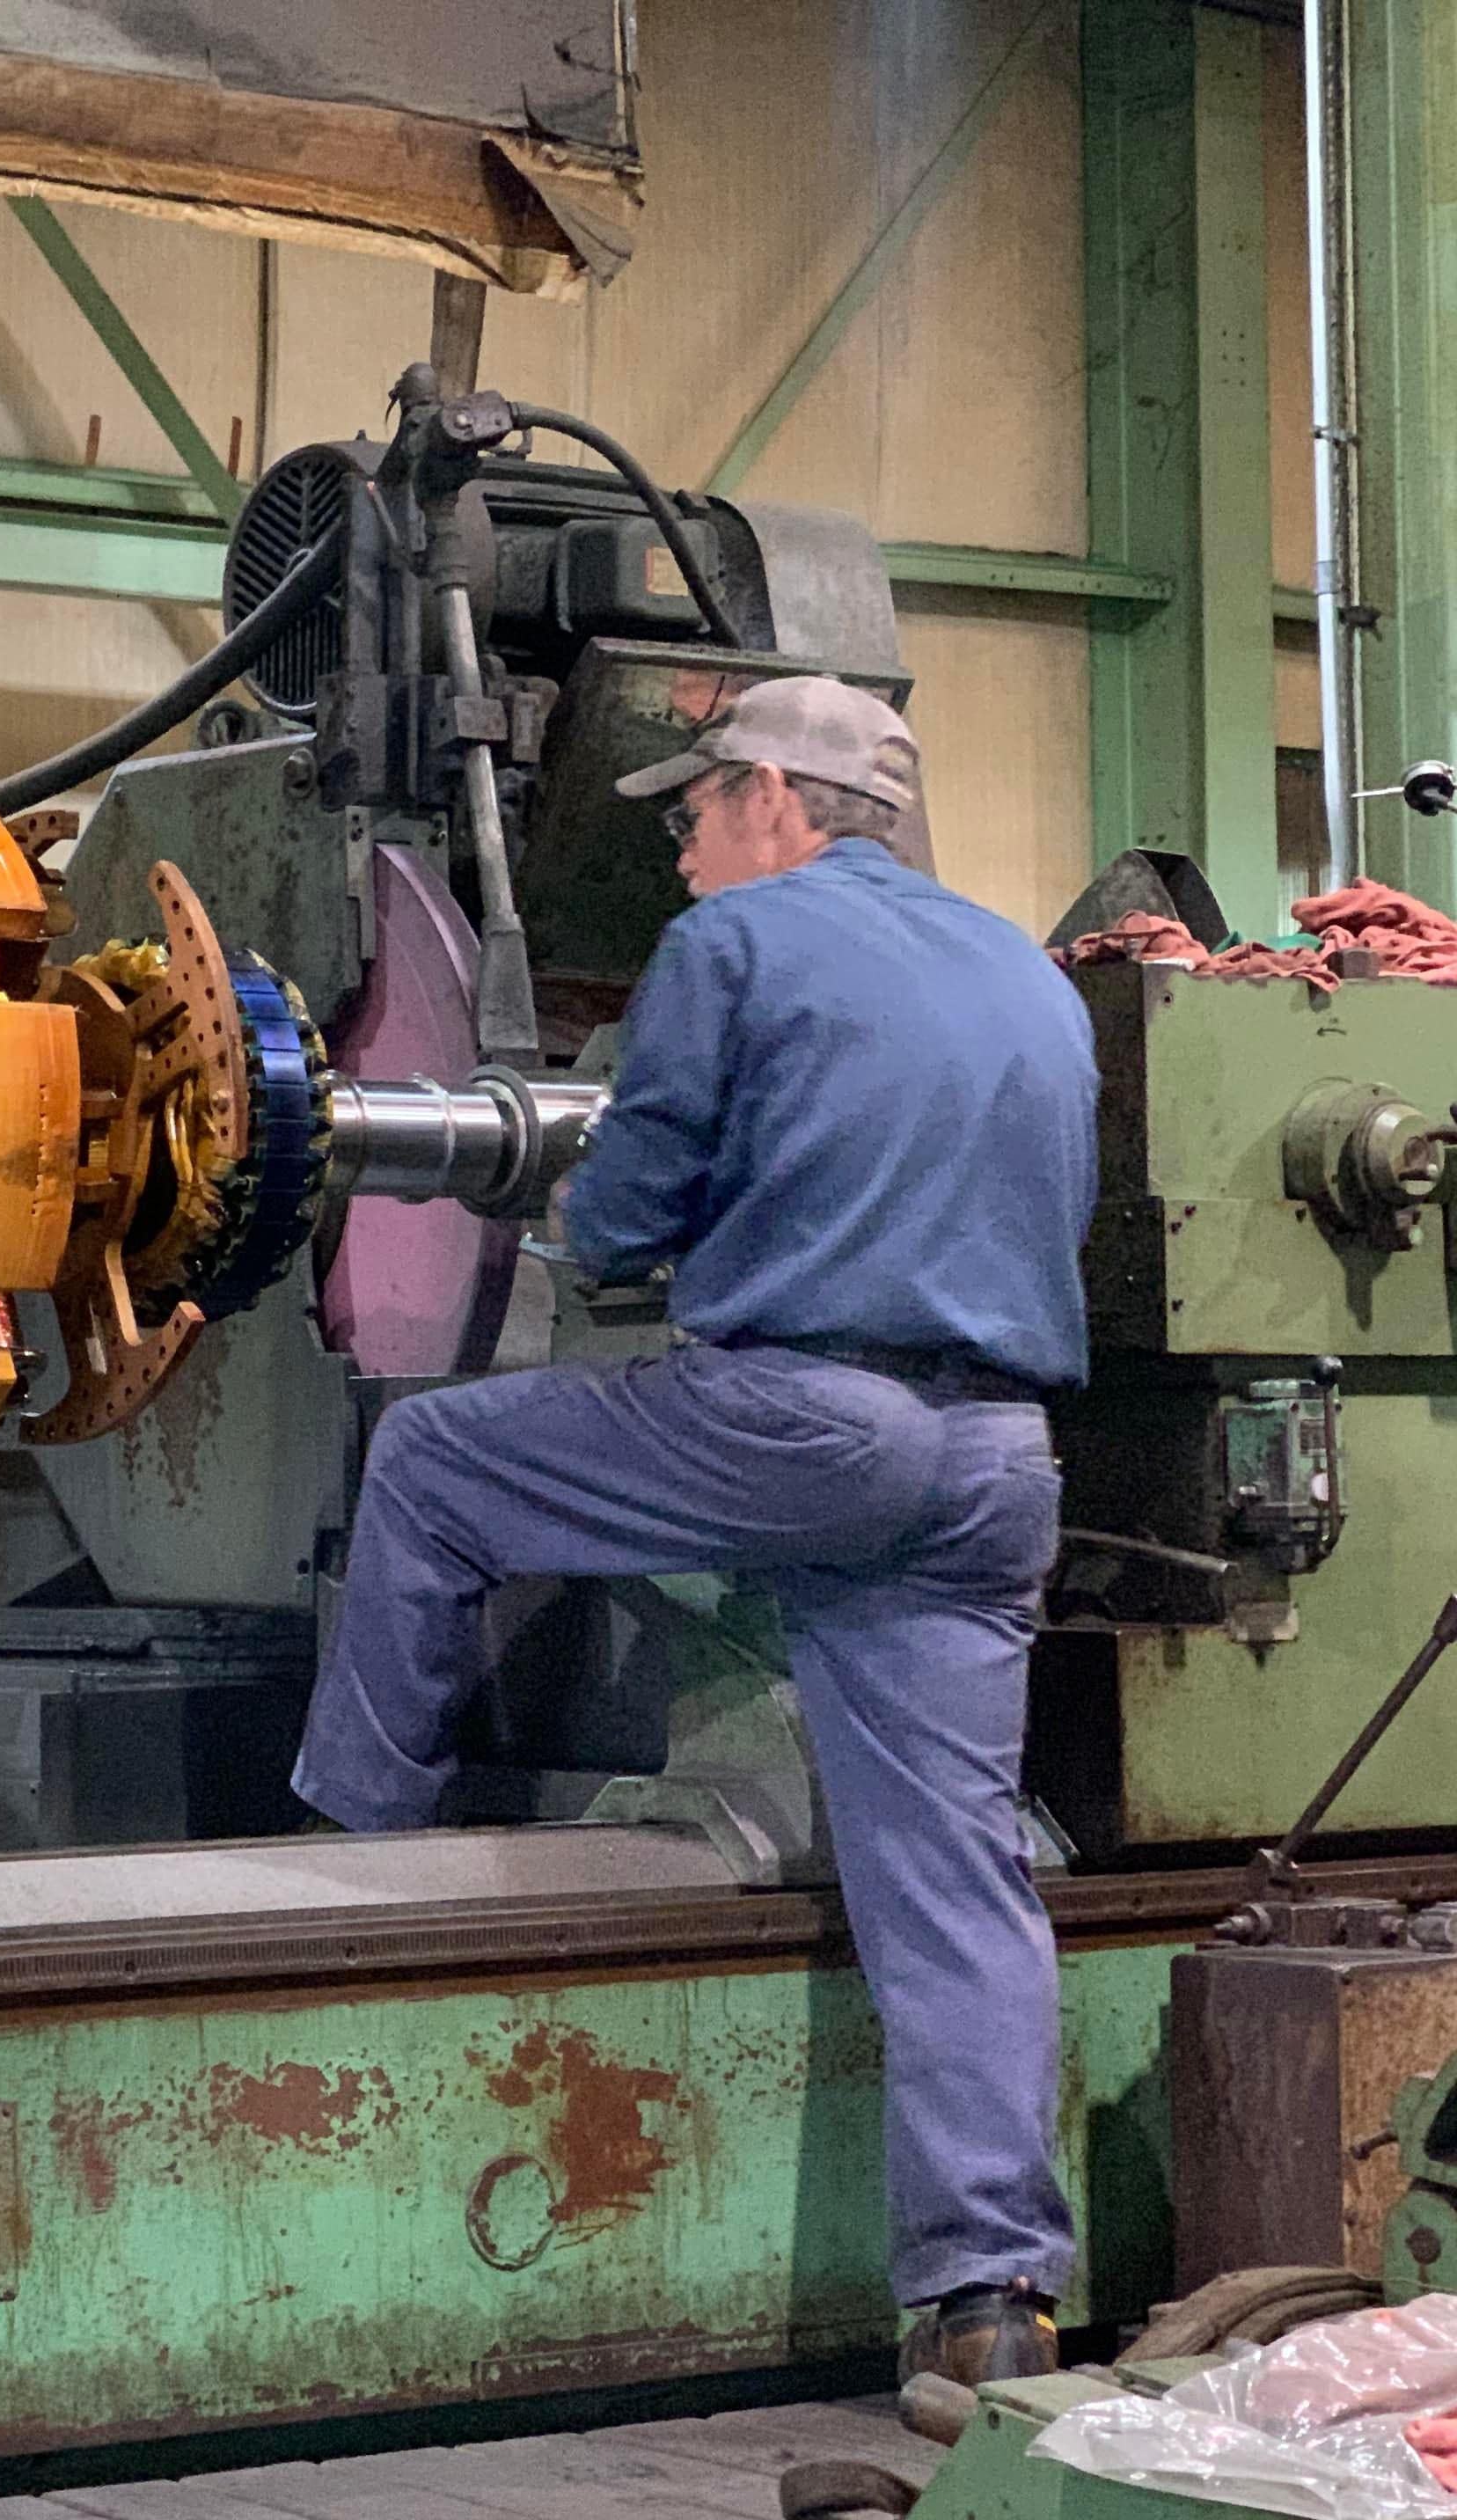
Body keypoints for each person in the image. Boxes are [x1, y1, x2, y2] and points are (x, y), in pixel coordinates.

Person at [289, 675, 1099, 2389]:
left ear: (779, 803)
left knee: (434, 1467)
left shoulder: (735, 956)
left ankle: (326, 1893)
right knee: (953, 1882)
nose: (681, 851)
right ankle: (991, 2307)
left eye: (694, 814)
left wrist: (605, 1195)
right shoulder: (1029, 974)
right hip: (997, 1462)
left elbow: (630, 1215)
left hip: (808, 1425)